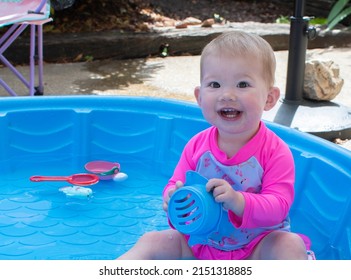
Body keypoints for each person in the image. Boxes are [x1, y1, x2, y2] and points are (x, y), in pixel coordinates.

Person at [118, 31, 313, 260]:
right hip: (201, 246)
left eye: (242, 84)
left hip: (256, 249)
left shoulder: (275, 151)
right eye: (215, 84)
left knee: (289, 245)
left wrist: (238, 201)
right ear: (200, 97)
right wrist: (172, 197)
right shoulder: (196, 147)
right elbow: (176, 184)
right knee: (153, 241)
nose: (227, 94)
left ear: (269, 98)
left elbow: (279, 206)